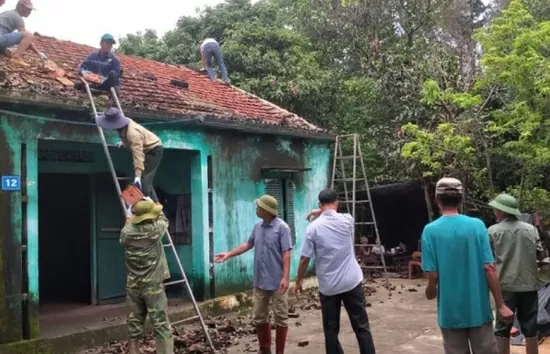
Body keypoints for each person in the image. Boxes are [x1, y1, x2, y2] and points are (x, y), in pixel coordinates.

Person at [421, 177, 514, 354]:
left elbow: (432, 273)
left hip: (450, 312)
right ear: (461, 198)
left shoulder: (430, 230)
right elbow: (489, 267)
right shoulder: (477, 226)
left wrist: (431, 288)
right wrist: (500, 304)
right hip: (478, 310)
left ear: (436, 198)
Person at [296, 188, 376, 354]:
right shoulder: (347, 220)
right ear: (337, 203)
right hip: (351, 282)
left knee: (331, 330)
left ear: (320, 204)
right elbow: (331, 211)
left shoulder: (313, 228)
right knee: (361, 326)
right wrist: (321, 210)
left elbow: (305, 259)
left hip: (329, 287)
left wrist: (298, 281)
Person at [215, 195, 292, 354]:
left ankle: (280, 352)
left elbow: (286, 254)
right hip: (260, 280)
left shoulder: (282, 228)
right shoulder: (257, 227)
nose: (256, 209)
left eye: (259, 207)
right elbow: (248, 244)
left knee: (281, 318)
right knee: (259, 316)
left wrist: (285, 277)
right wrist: (229, 254)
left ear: (266, 210)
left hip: (278, 281)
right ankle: (265, 349)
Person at [488, 194, 546, 354]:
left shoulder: (492, 231)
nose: (494, 212)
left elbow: (488, 260)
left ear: (501, 211)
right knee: (530, 326)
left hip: (505, 286)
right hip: (529, 284)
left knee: (502, 327)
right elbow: (540, 255)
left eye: (495, 209)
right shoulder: (531, 229)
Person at [121, 198, 173, 354]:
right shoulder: (155, 230)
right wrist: (154, 203)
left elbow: (128, 222)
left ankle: (133, 350)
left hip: (133, 285)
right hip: (153, 286)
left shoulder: (126, 233)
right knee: (160, 323)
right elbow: (164, 219)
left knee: (134, 320)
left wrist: (131, 211)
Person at [96, 107, 163, 204]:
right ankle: (155, 203)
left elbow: (138, 155)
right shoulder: (122, 128)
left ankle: (152, 205)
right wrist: (125, 142)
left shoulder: (133, 134)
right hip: (144, 148)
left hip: (154, 151)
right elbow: (128, 138)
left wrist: (137, 176)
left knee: (143, 181)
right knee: (145, 180)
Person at [0, 0, 47, 67]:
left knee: (21, 45)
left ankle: (7, 51)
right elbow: (27, 39)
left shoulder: (8, 13)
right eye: (28, 9)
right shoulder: (17, 16)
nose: (30, 12)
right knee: (28, 35)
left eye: (31, 10)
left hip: (1, 40)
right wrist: (38, 53)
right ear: (20, 7)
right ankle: (16, 58)